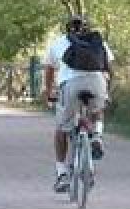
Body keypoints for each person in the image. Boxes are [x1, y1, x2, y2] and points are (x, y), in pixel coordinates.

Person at [43, 15, 114, 193]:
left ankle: (62, 174)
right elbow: (109, 69)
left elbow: (49, 70)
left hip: (71, 85)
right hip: (97, 82)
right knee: (97, 109)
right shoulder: (98, 41)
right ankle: (97, 135)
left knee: (62, 128)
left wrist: (49, 91)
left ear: (67, 28)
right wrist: (107, 91)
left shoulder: (59, 42)